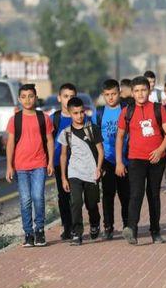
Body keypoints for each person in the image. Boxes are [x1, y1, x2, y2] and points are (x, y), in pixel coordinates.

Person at [116, 76, 166, 245]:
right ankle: (131, 230)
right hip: (135, 159)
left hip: (157, 159)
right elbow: (120, 137)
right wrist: (119, 162)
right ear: (132, 93)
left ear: (149, 91)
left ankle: (155, 231)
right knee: (136, 194)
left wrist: (160, 150)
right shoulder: (127, 112)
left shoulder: (158, 109)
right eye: (137, 91)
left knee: (153, 194)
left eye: (143, 90)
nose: (140, 94)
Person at [6, 84, 54, 247]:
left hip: (39, 164)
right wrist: (9, 166)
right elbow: (10, 143)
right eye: (24, 96)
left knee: (38, 197)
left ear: (36, 97)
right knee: (25, 200)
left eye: (31, 96)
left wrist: (50, 162)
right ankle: (28, 233)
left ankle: (39, 230)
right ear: (19, 99)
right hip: (20, 166)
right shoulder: (15, 119)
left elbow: (49, 140)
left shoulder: (44, 118)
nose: (27, 100)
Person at [58, 97, 104, 246]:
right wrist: (64, 177)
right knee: (76, 202)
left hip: (91, 173)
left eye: (81, 112)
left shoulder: (92, 129)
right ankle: (77, 233)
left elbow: (100, 151)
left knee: (92, 204)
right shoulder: (66, 133)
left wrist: (98, 168)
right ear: (69, 113)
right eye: (75, 113)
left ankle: (95, 223)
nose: (79, 116)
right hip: (74, 173)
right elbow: (64, 155)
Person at [93, 79, 131, 240]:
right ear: (103, 95)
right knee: (108, 195)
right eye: (107, 95)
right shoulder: (99, 113)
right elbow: (95, 140)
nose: (110, 97)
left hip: (125, 159)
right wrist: (98, 164)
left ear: (119, 93)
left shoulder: (126, 110)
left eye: (114, 94)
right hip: (107, 160)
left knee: (126, 195)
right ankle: (108, 226)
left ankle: (128, 225)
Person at [49, 83, 77, 241]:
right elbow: (49, 142)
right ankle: (67, 227)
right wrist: (49, 162)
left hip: (78, 163)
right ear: (59, 98)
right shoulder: (55, 118)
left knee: (76, 196)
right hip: (60, 163)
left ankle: (76, 226)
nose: (68, 100)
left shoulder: (81, 116)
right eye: (65, 96)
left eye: (72, 97)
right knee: (63, 196)